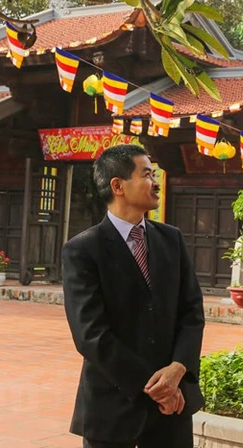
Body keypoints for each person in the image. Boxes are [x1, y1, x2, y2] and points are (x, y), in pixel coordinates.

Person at [61, 144, 205, 448]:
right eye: (147, 174)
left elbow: (192, 313)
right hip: (112, 407)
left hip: (173, 409)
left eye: (155, 174)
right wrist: (156, 386)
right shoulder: (83, 250)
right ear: (118, 186)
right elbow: (91, 334)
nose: (156, 182)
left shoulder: (171, 240)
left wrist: (178, 370)